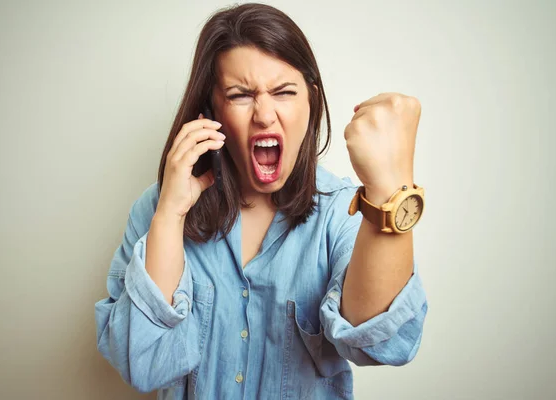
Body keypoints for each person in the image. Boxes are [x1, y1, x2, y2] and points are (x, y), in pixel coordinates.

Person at [95, 3, 428, 399]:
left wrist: (391, 190)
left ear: (311, 102)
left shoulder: (344, 212)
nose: (265, 115)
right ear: (211, 110)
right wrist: (170, 215)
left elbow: (385, 343)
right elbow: (142, 364)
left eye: (284, 92)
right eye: (240, 95)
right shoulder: (157, 209)